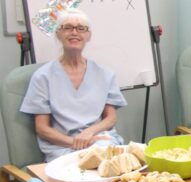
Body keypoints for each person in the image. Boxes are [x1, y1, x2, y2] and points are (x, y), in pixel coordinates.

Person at [20, 9, 127, 162]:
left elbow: (110, 118)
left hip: (98, 140)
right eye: (68, 27)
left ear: (88, 36)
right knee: (81, 171)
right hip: (62, 147)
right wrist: (76, 142)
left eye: (81, 28)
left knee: (113, 165)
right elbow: (42, 129)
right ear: (58, 34)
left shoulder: (104, 74)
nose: (74, 32)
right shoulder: (42, 76)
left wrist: (89, 134)